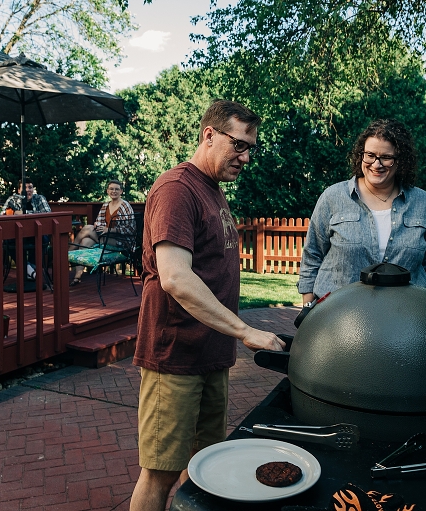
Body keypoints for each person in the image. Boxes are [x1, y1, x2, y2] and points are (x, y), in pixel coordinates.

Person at [130, 100, 286, 511]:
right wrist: (246, 330)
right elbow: (175, 277)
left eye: (251, 147)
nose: (246, 156)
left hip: (211, 355)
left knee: (203, 464)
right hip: (175, 355)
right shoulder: (176, 189)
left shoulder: (211, 189)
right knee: (160, 473)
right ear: (209, 135)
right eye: (238, 144)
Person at [298, 119, 426, 307]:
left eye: (386, 157)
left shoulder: (422, 202)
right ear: (361, 156)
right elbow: (312, 254)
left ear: (401, 160)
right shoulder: (333, 197)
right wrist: (309, 309)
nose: (376, 164)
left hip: (406, 316)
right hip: (338, 315)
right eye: (370, 155)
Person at [68, 179, 135, 286]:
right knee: (85, 241)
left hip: (120, 241)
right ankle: (77, 277)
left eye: (117, 189)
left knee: (87, 228)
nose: (114, 191)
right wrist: (98, 225)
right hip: (105, 237)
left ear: (121, 191)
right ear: (107, 191)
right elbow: (99, 221)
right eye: (111, 189)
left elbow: (131, 229)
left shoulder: (125, 206)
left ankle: (68, 253)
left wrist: (109, 230)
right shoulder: (105, 205)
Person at [1, 178, 51, 280]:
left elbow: (47, 214)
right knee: (7, 241)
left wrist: (24, 213)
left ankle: (30, 268)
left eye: (30, 187)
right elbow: (1, 216)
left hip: (36, 234)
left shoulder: (39, 198)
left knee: (43, 239)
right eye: (25, 188)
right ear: (19, 190)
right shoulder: (12, 200)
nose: (28, 190)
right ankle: (29, 270)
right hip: (17, 235)